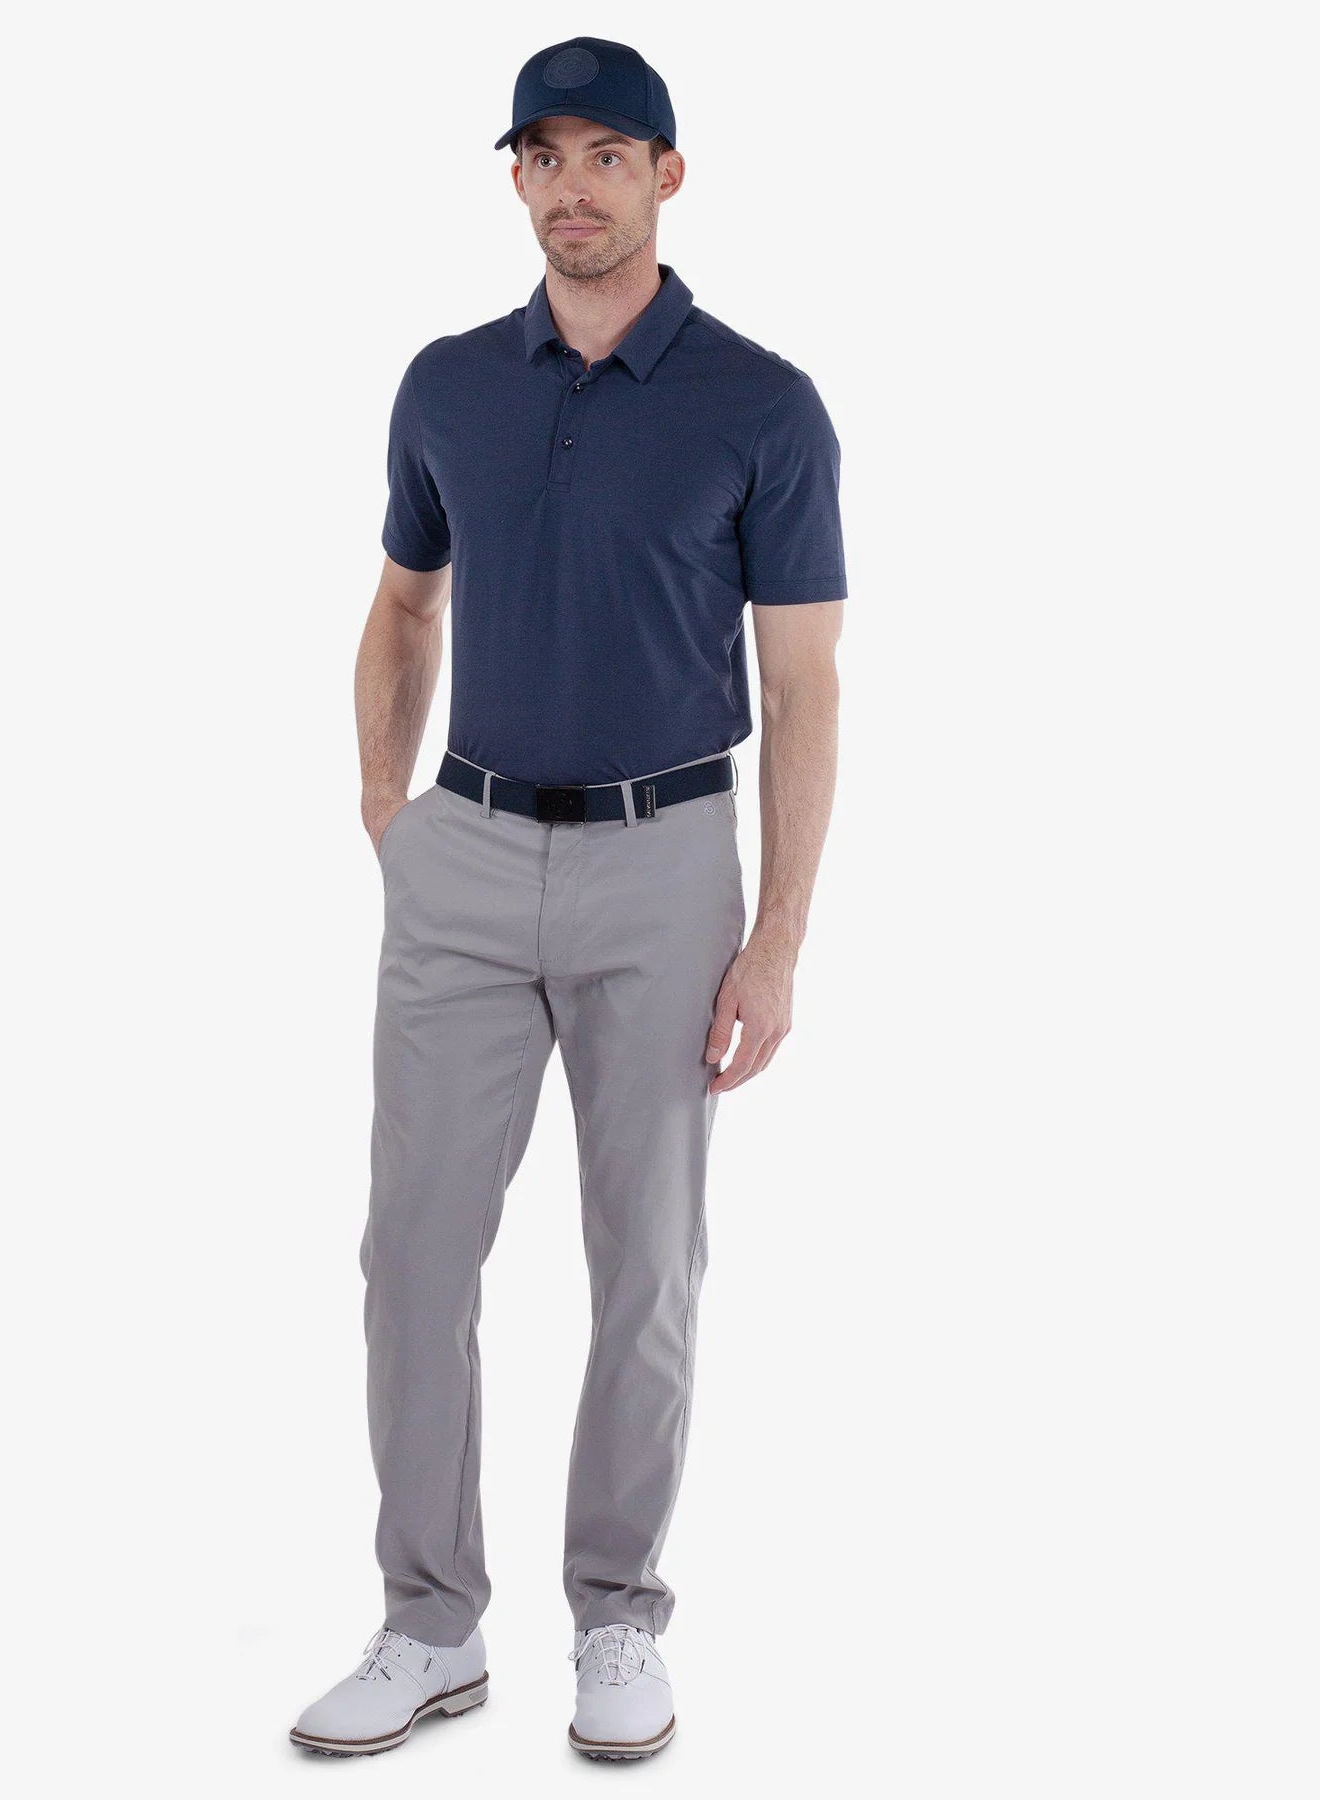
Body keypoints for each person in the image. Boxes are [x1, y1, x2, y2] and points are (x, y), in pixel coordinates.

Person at [289, 36, 846, 1761]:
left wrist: (776, 938)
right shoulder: (450, 383)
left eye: (609, 155)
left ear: (667, 177)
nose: (573, 186)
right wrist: (388, 812)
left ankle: (616, 1615)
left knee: (646, 1264)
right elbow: (404, 606)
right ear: (516, 178)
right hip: (460, 855)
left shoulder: (763, 405)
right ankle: (427, 1623)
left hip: (664, 864)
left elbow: (804, 686)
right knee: (411, 1252)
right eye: (544, 155)